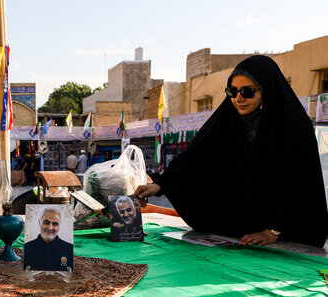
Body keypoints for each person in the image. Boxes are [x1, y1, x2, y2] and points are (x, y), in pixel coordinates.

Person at [134, 55, 328, 247]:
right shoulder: (226, 121)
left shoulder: (293, 125)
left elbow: (298, 183)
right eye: (232, 91)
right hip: (239, 231)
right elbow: (195, 159)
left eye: (247, 91)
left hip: (286, 234)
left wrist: (274, 230)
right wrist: (159, 186)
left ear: (266, 90)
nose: (238, 98)